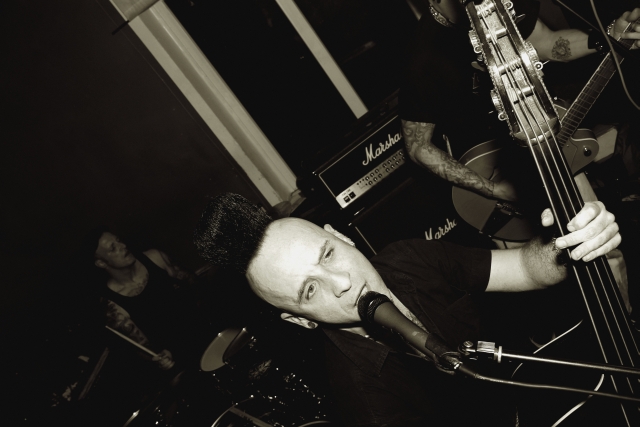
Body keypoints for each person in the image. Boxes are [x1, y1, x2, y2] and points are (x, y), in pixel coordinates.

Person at [193, 193, 621, 426]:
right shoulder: (366, 402)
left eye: (327, 254)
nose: (342, 283)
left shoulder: (406, 259)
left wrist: (572, 243)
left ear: (341, 237)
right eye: (309, 291)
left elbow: (526, 267)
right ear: (300, 320)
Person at [399, 0, 640, 202]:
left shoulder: (498, 7)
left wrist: (609, 37)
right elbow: (418, 147)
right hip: (494, 170)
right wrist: (494, 190)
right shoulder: (423, 57)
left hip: (543, 139)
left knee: (597, 232)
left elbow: (547, 44)